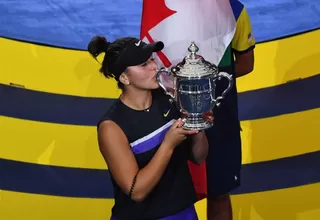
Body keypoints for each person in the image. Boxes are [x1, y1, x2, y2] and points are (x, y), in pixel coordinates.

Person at [87, 35, 210, 220]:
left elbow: (199, 157)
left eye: (152, 59)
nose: (155, 66)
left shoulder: (170, 98)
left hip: (184, 213)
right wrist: (168, 145)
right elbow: (136, 191)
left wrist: (197, 123)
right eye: (144, 64)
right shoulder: (111, 127)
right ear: (124, 77)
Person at [205, 1, 256, 220]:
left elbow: (245, 63)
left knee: (218, 194)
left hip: (219, 117)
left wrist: (203, 79)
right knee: (171, 197)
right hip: (174, 114)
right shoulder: (162, 6)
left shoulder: (234, 10)